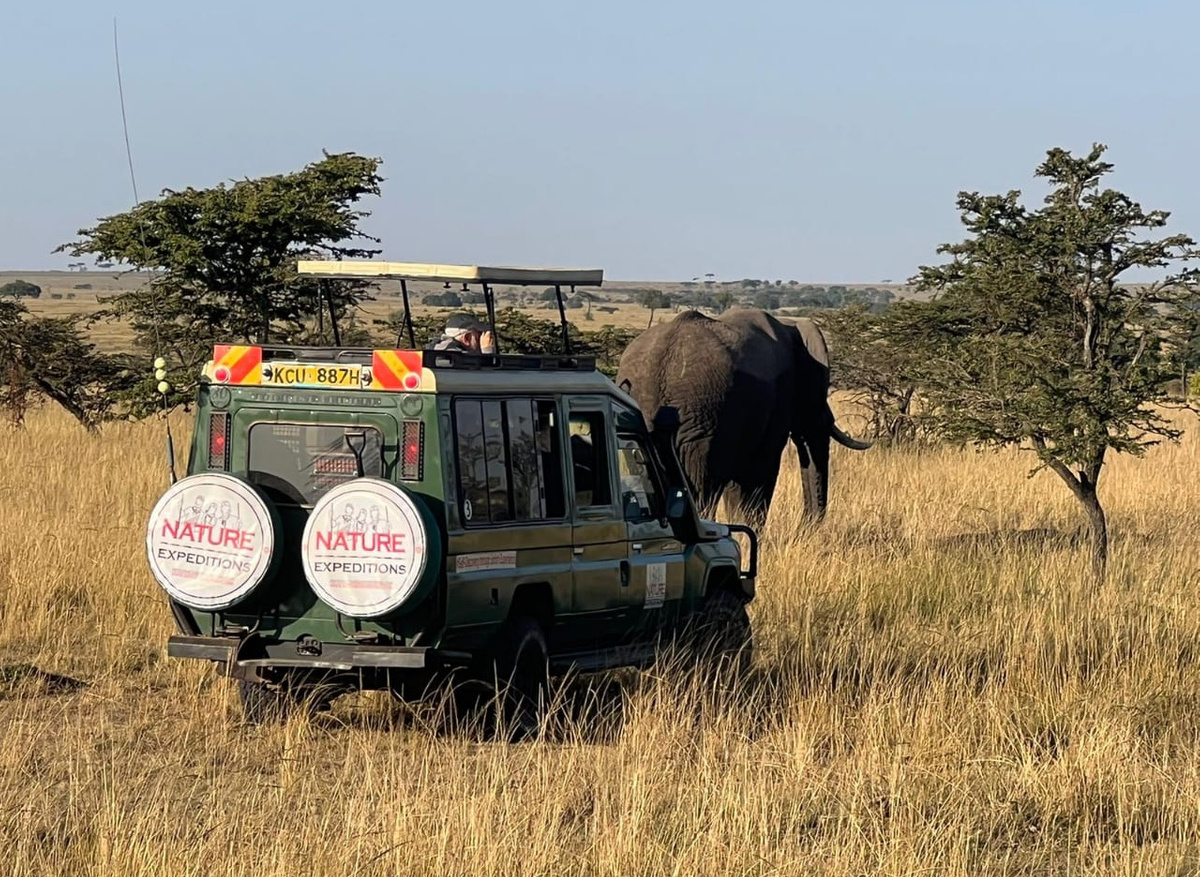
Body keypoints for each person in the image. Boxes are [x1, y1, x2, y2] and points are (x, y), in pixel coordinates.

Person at [429, 313, 496, 354]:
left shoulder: (435, 353)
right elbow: (483, 376)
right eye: (479, 335)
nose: (483, 341)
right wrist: (487, 351)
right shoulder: (456, 357)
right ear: (466, 338)